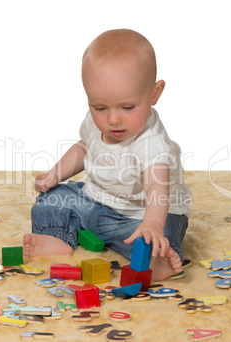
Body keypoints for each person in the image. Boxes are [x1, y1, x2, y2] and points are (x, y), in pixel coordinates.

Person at [23, 29, 192, 281]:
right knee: (53, 198)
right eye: (99, 107)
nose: (113, 119)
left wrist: (153, 223)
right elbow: (84, 147)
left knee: (154, 238)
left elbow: (157, 185)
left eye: (128, 107)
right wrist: (55, 173)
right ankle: (56, 238)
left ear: (154, 94)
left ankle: (154, 262)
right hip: (97, 202)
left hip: (142, 215)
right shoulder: (96, 124)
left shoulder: (152, 143)